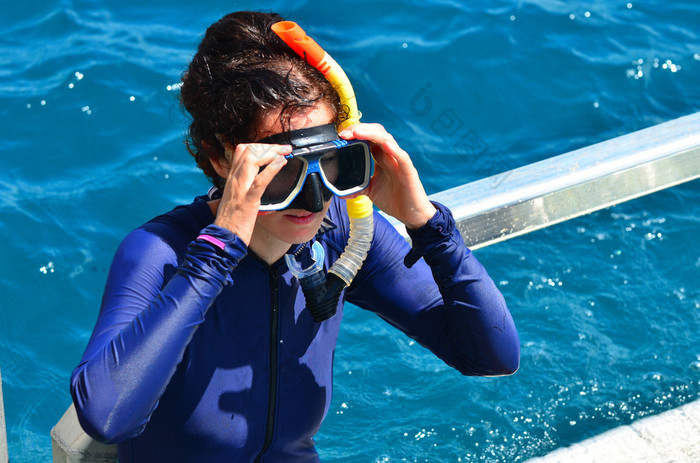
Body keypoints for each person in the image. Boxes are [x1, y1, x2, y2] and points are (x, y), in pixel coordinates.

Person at [70, 10, 519, 463]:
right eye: (282, 172)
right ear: (221, 158)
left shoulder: (341, 232)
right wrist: (216, 256)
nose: (313, 197)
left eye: (330, 164)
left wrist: (427, 223)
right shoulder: (163, 253)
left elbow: (491, 354)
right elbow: (108, 416)